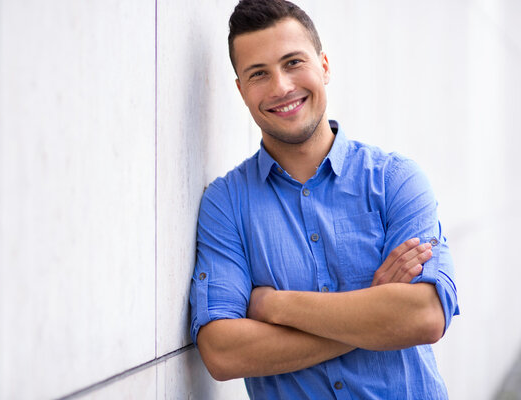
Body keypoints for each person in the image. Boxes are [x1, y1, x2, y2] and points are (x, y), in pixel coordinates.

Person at [189, 0, 459, 398]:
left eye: (293, 62)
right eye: (259, 73)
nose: (281, 87)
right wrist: (375, 316)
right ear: (241, 90)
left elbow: (424, 316)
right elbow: (223, 353)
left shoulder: (395, 180)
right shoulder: (225, 204)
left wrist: (273, 307)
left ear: (325, 66)